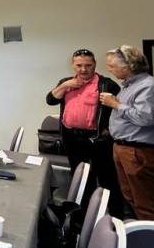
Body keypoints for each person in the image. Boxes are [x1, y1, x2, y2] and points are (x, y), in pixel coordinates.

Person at [46, 48, 122, 215]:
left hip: (97, 140)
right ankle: (82, 215)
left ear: (94, 64)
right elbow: (50, 100)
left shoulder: (106, 84)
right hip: (72, 138)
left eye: (88, 65)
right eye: (79, 65)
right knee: (80, 178)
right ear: (73, 65)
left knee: (107, 179)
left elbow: (120, 109)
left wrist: (110, 129)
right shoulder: (66, 83)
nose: (83, 69)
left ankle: (114, 216)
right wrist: (65, 86)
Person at [100, 45, 154, 223]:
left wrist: (115, 104)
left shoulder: (149, 86)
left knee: (147, 203)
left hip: (139, 151)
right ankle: (146, 233)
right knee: (133, 198)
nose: (109, 69)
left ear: (128, 66)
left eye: (112, 66)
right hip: (125, 149)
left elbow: (146, 118)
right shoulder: (129, 86)